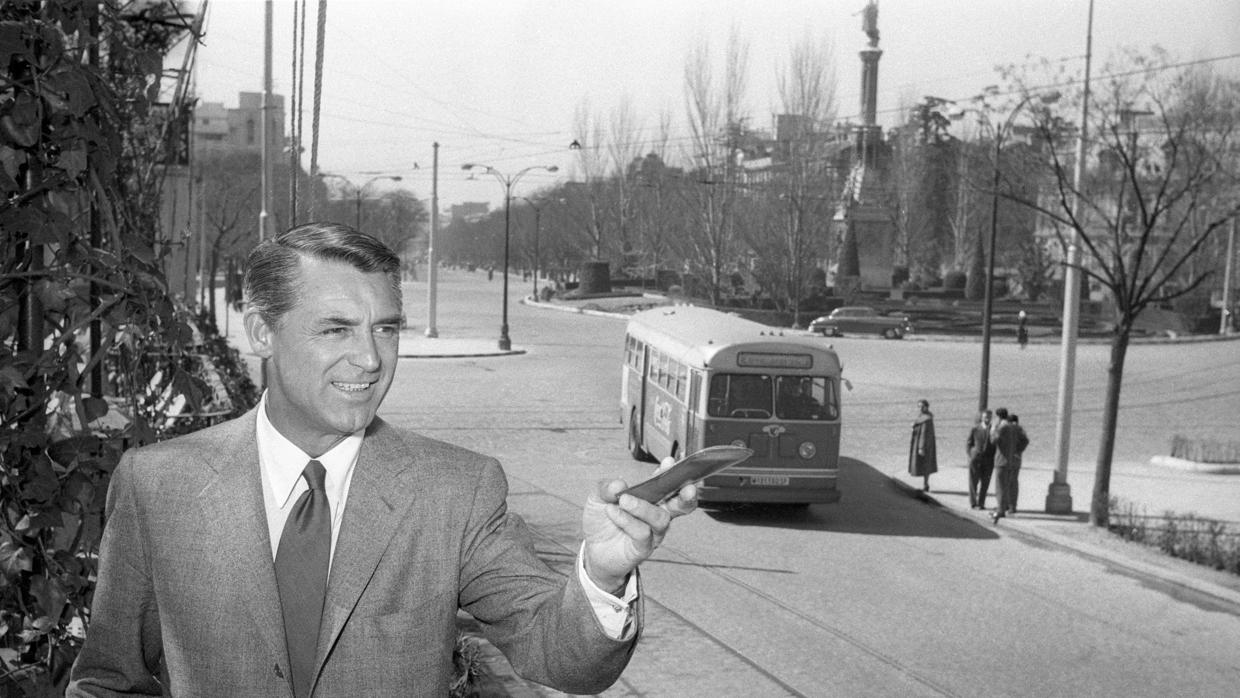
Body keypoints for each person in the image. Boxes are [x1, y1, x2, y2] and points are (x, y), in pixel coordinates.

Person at [68, 222, 697, 697]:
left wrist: (604, 574)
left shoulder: (457, 490)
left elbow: (561, 656)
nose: (371, 360)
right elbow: (106, 680)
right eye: (336, 329)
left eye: (387, 329)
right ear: (261, 331)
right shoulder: (157, 486)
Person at [990, 408, 1029, 523]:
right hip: (1012, 461)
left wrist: (993, 429)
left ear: (998, 417)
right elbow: (1025, 440)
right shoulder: (1015, 427)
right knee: (1010, 484)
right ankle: (1011, 506)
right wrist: (1017, 452)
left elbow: (993, 441)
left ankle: (1001, 509)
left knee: (1000, 486)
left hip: (1002, 460)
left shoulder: (1002, 428)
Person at [966, 410, 995, 510]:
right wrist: (971, 455)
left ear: (991, 418)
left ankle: (981, 503)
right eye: (985, 417)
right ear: (982, 418)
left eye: (989, 417)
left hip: (988, 460)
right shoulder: (975, 428)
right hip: (976, 459)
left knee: (985, 483)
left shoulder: (993, 429)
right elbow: (969, 443)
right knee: (973, 481)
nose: (987, 418)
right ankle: (973, 502)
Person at [908, 399, 937, 492]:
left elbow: (924, 433)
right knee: (925, 465)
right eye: (919, 406)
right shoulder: (924, 417)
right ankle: (926, 484)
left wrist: (921, 447)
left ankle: (926, 484)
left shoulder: (926, 419)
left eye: (921, 406)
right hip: (925, 444)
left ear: (926, 407)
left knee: (925, 465)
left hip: (924, 445)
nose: (920, 408)